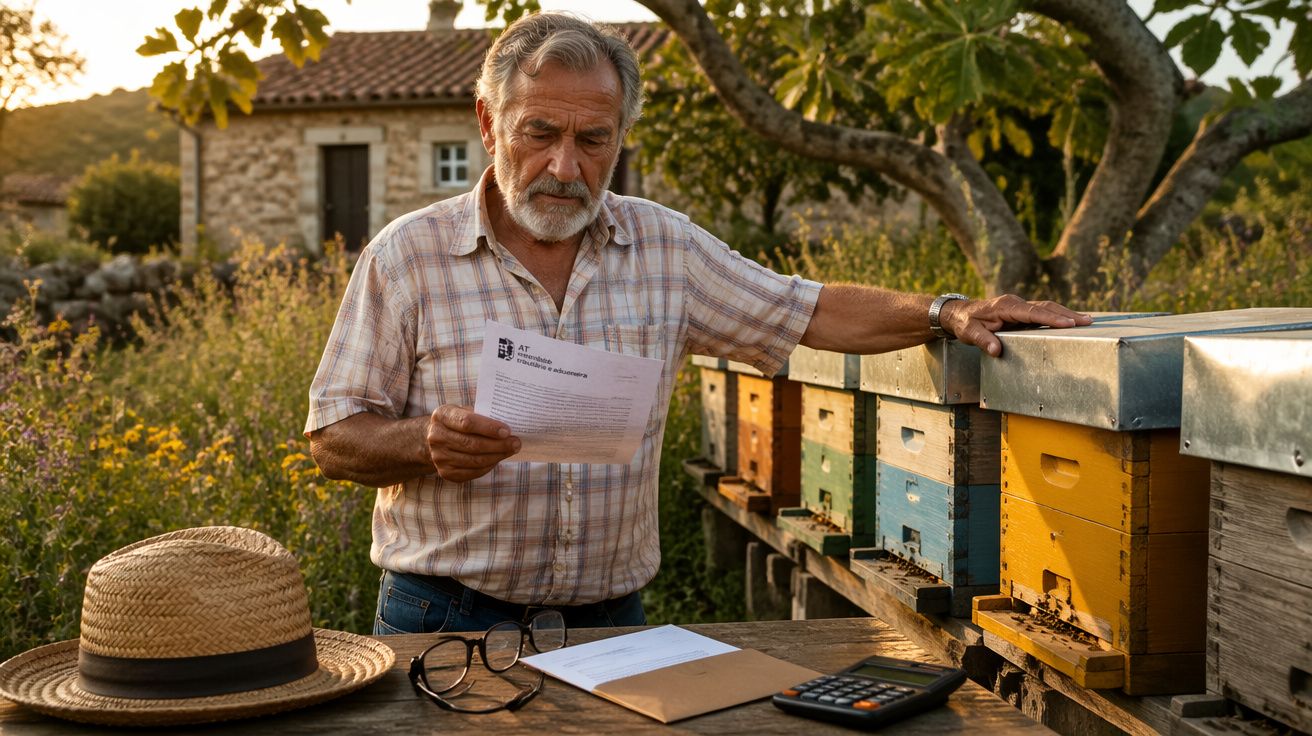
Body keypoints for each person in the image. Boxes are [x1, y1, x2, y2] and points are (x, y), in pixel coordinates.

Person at [304, 12, 1090, 636]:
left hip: (611, 624)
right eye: (539, 133)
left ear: (621, 135)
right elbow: (332, 436)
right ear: (487, 121)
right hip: (443, 619)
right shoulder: (407, 256)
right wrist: (423, 443)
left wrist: (945, 311)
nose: (565, 167)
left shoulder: (665, 247)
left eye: (593, 139)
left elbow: (806, 307)